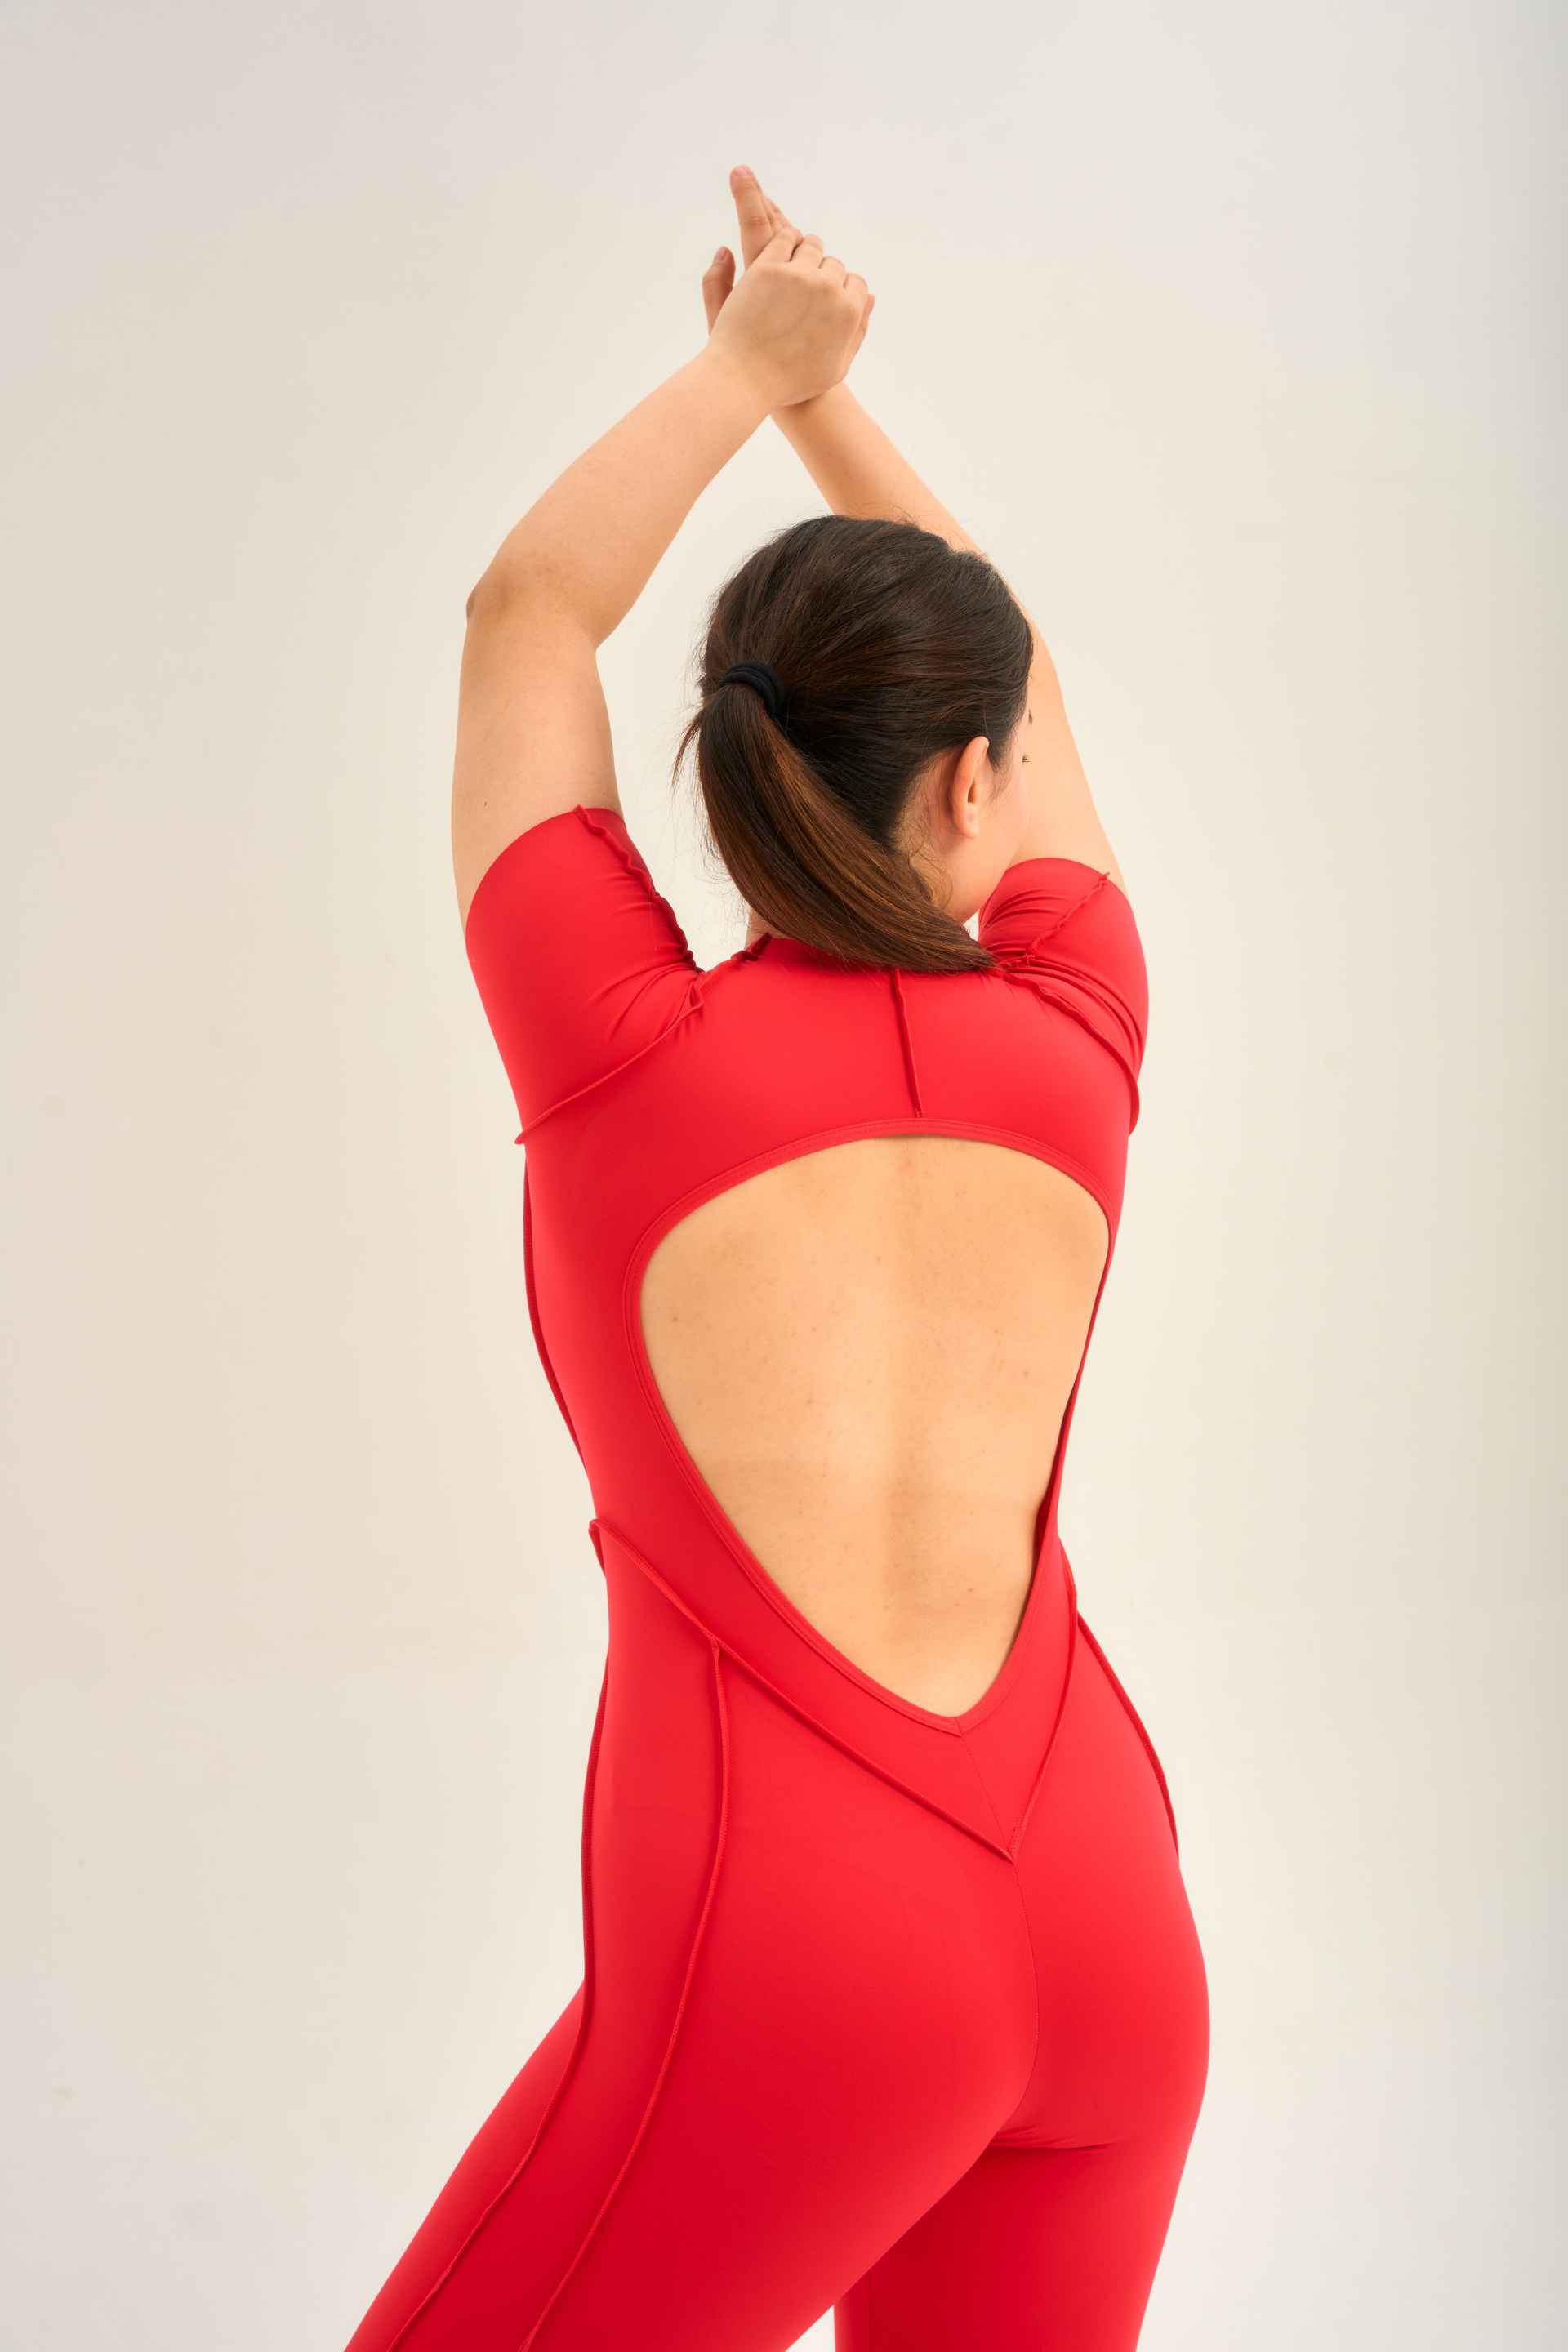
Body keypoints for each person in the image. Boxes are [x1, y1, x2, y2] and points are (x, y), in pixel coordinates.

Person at [345, 167, 1208, 2352]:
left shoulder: (614, 1046)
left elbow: (529, 612)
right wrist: (830, 397)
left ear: (728, 769)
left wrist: (744, 370)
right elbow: (1023, 662)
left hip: (808, 1958)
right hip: (1108, 1915)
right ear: (977, 779)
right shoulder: (1079, 1021)